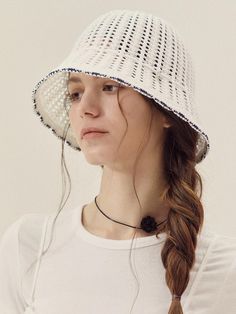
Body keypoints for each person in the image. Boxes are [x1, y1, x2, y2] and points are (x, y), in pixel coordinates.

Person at [0, 8, 236, 314]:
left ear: (165, 111)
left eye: (109, 87)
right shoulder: (29, 246)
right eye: (75, 93)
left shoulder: (223, 271)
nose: (86, 107)